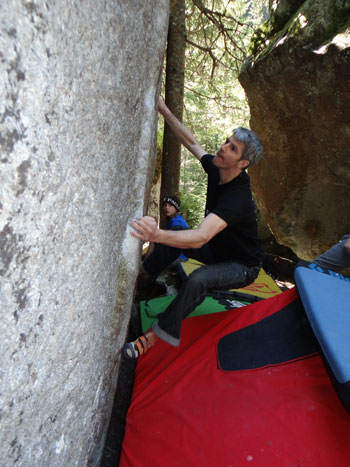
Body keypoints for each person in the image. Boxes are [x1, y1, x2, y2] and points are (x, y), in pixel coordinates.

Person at [122, 97, 264, 359]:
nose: (223, 149)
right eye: (227, 142)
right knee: (171, 241)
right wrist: (164, 109)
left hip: (242, 265)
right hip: (218, 249)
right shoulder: (218, 168)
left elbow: (200, 238)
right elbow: (192, 142)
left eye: (232, 149)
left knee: (199, 279)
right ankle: (142, 282)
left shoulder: (238, 198)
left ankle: (154, 337)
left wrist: (154, 234)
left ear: (242, 163)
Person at [146, 195, 189, 262]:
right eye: (165, 205)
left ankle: (145, 264)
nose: (166, 208)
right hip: (176, 254)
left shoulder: (177, 222)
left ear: (176, 208)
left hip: (179, 257)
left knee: (153, 239)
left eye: (170, 206)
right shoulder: (173, 220)